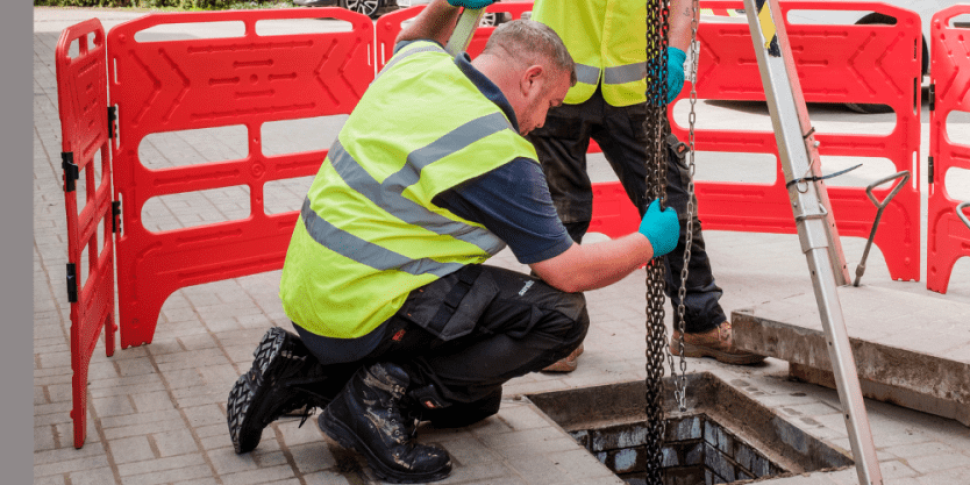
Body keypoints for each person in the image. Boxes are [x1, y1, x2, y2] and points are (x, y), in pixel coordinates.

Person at [225, 1, 680, 483]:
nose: (546, 120)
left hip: (314, 297)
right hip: (362, 309)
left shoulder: (421, 66)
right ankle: (374, 401)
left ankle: (301, 373)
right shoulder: (496, 150)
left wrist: (449, 3)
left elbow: (413, 37)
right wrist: (646, 243)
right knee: (561, 316)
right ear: (530, 79)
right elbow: (568, 270)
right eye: (551, 102)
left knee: (476, 398)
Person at [529, 0, 765, 372]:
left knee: (673, 206)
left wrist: (674, 52)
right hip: (559, 81)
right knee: (561, 212)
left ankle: (698, 323)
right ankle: (557, 331)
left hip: (632, 89)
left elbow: (683, 4)